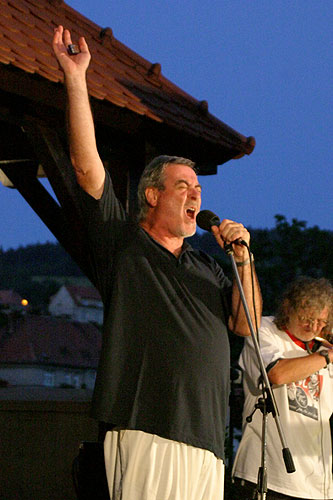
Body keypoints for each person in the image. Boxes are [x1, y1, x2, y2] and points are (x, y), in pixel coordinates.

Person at [52, 25, 262, 500]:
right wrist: (76, 78)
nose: (196, 194)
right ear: (152, 195)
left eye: (199, 188)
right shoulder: (124, 247)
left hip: (208, 439)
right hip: (148, 426)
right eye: (183, 186)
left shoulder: (209, 267)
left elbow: (244, 325)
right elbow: (88, 169)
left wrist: (244, 262)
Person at [232, 276, 333, 500]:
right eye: (307, 319)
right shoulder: (264, 329)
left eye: (321, 322)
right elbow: (276, 374)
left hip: (317, 485)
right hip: (268, 475)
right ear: (288, 309)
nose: (314, 327)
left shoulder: (322, 349)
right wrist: (326, 357)